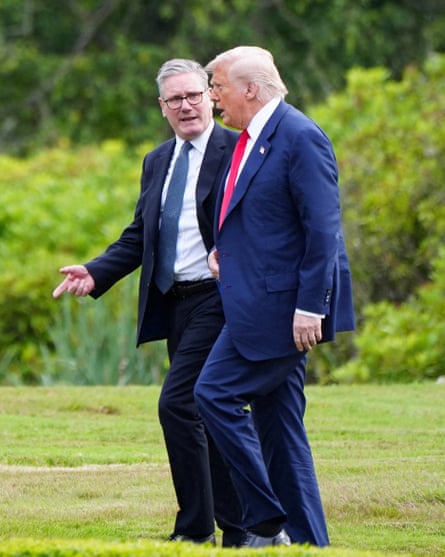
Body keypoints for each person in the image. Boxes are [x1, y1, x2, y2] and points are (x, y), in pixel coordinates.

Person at [52, 58, 245, 547]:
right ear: (162, 107)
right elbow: (141, 235)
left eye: (194, 95)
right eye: (174, 99)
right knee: (205, 408)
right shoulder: (157, 160)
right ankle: (228, 527)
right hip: (174, 303)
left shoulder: (236, 150)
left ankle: (210, 527)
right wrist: (95, 271)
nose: (186, 106)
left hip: (221, 300)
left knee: (179, 403)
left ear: (210, 95)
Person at [193, 46, 355, 548]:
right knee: (281, 432)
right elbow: (262, 219)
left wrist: (312, 305)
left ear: (249, 88)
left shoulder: (300, 136)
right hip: (254, 302)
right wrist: (225, 252)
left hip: (283, 312)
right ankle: (309, 541)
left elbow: (322, 228)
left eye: (216, 86)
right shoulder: (250, 139)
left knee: (213, 394)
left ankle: (264, 520)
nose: (211, 97)